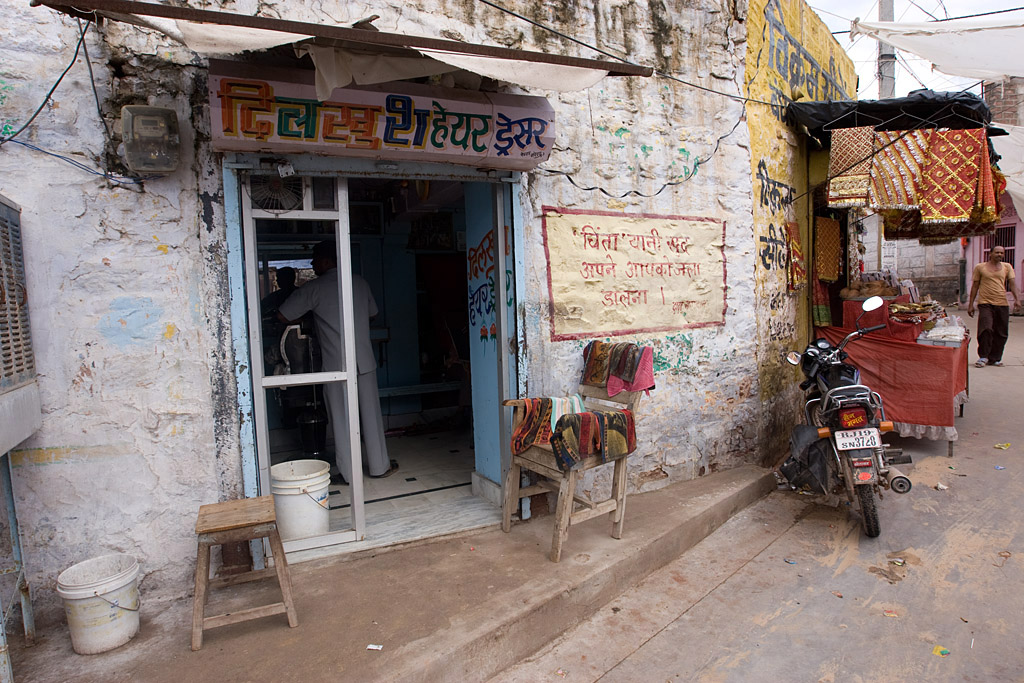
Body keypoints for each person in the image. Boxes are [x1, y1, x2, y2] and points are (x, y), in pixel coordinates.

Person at [278, 241, 397, 482]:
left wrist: (313, 316)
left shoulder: (314, 288)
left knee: (341, 420)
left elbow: (282, 316)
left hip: (336, 365)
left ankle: (349, 474)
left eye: (315, 259)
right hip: (364, 359)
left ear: (326, 261)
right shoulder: (359, 282)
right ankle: (379, 466)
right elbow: (373, 314)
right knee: (371, 415)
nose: (312, 264)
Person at [967, 245, 1021, 368]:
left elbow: (1012, 284)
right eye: (997, 252)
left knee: (1001, 332)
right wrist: (971, 305)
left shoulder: (1007, 267)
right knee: (986, 328)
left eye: (1002, 253)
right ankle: (983, 356)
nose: (999, 255)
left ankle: (995, 358)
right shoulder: (980, 267)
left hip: (1002, 303)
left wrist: (1017, 299)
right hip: (985, 303)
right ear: (990, 254)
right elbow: (975, 286)